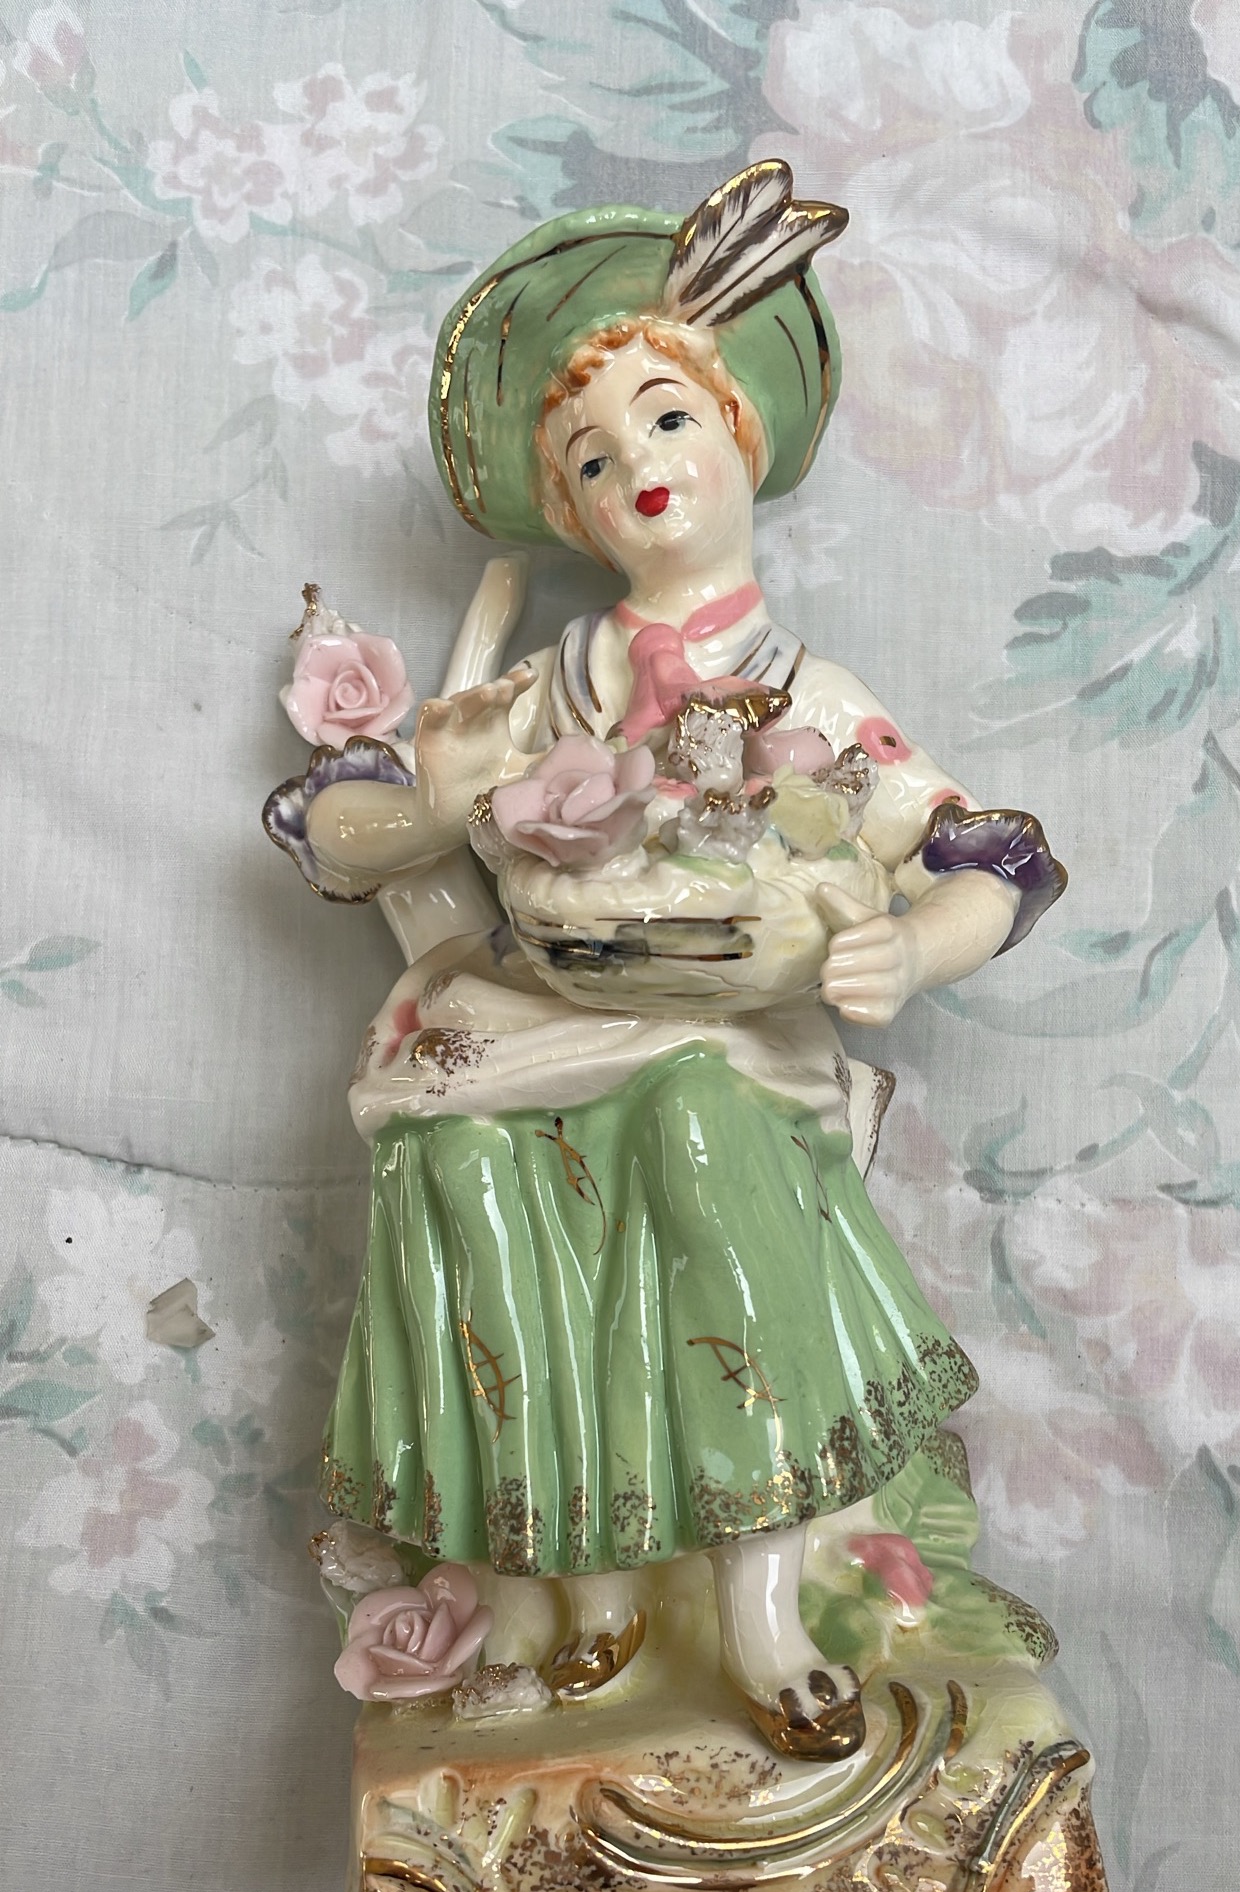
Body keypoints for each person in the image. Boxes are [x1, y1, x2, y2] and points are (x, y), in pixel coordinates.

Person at [282, 162, 1064, 1761]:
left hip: (731, 1044)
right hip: (541, 1017)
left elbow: (987, 854)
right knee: (460, 1166)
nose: (633, 464)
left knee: (696, 1129)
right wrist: (432, 799)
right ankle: (569, 1569)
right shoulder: (543, 686)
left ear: (741, 440)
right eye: (590, 454)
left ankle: (762, 1596)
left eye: (664, 419)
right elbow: (338, 838)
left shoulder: (808, 696)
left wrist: (910, 945)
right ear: (567, 511)